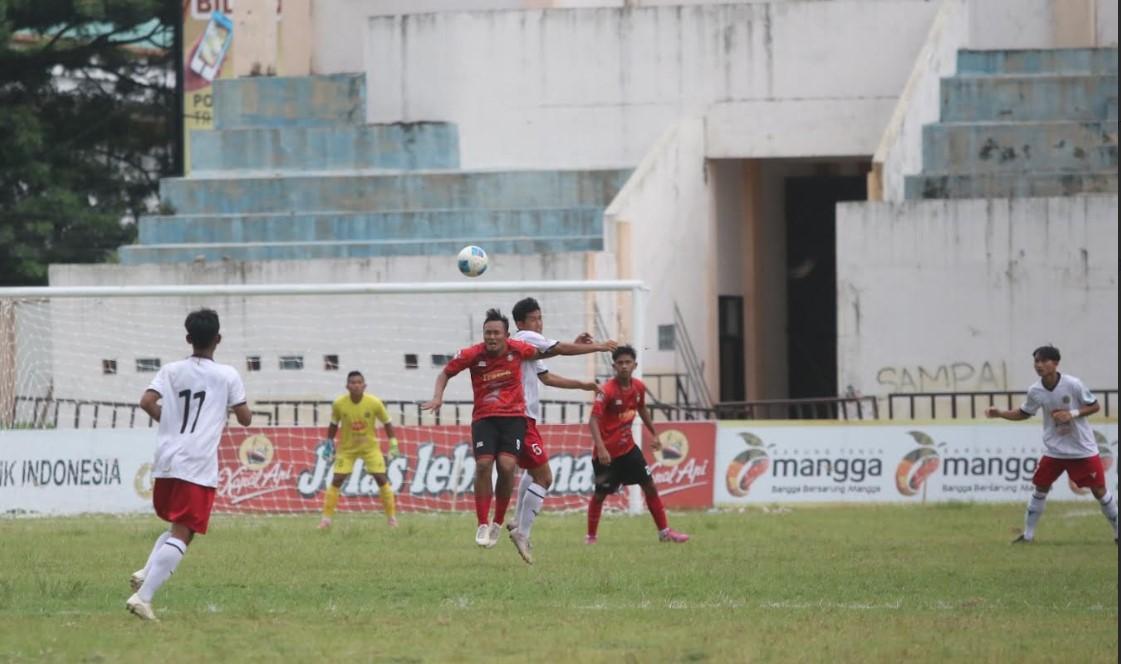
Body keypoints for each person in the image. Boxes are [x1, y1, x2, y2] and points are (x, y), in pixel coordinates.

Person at [127, 308, 253, 621]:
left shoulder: (170, 370)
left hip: (167, 459)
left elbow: (146, 402)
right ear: (218, 339)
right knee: (184, 532)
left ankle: (146, 572)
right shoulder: (227, 375)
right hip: (196, 464)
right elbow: (245, 418)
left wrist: (168, 420)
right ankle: (143, 597)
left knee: (181, 527)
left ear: (188, 338)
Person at [421, 308, 548, 548]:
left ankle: (498, 522)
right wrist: (438, 397)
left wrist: (585, 347)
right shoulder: (472, 354)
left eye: (496, 333)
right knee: (483, 465)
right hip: (484, 418)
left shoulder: (518, 350)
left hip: (513, 418)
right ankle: (482, 522)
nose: (491, 337)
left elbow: (550, 352)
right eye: (487, 332)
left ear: (506, 335)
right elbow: (444, 374)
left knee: (507, 466)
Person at [506, 297, 615, 564]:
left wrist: (581, 385)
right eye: (534, 318)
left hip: (523, 419)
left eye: (541, 317)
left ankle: (517, 523)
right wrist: (600, 346)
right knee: (545, 477)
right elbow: (561, 348)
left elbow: (546, 377)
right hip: (520, 418)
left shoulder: (527, 346)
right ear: (521, 323)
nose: (539, 323)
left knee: (534, 473)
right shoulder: (527, 337)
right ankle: (522, 531)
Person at [985, 345, 1116, 544]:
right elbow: (1024, 413)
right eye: (1036, 361)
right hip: (1054, 451)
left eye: (1043, 360)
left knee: (1099, 491)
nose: (1039, 365)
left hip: (1082, 450)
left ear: (1055, 363)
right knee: (1040, 488)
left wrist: (1071, 414)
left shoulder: (1073, 384)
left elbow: (1095, 405)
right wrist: (1001, 413)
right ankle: (1028, 536)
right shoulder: (1035, 390)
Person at [586, 345, 688, 544]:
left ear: (635, 365)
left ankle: (664, 532)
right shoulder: (606, 391)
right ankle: (591, 537)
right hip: (607, 454)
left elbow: (641, 409)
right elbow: (592, 420)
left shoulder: (639, 387)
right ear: (614, 366)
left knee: (649, 486)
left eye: (628, 362)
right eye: (620, 363)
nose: (624, 366)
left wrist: (654, 434)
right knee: (600, 495)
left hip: (629, 450)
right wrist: (601, 448)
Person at [318, 370, 401, 529]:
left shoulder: (375, 403)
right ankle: (326, 520)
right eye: (352, 383)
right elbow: (334, 423)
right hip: (347, 449)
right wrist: (329, 442)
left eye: (359, 383)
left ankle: (392, 519)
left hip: (370, 448)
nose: (356, 385)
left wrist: (393, 443)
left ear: (364, 386)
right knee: (337, 479)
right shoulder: (339, 404)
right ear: (347, 386)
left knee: (381, 478)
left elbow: (387, 422)